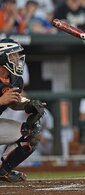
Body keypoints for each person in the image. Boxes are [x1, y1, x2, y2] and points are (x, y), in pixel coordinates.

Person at [0, 38, 45, 182]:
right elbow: (4, 100)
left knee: (32, 133)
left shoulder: (16, 79)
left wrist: (28, 104)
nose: (17, 58)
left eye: (17, 55)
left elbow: (14, 102)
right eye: (13, 55)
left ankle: (2, 171)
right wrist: (1, 100)